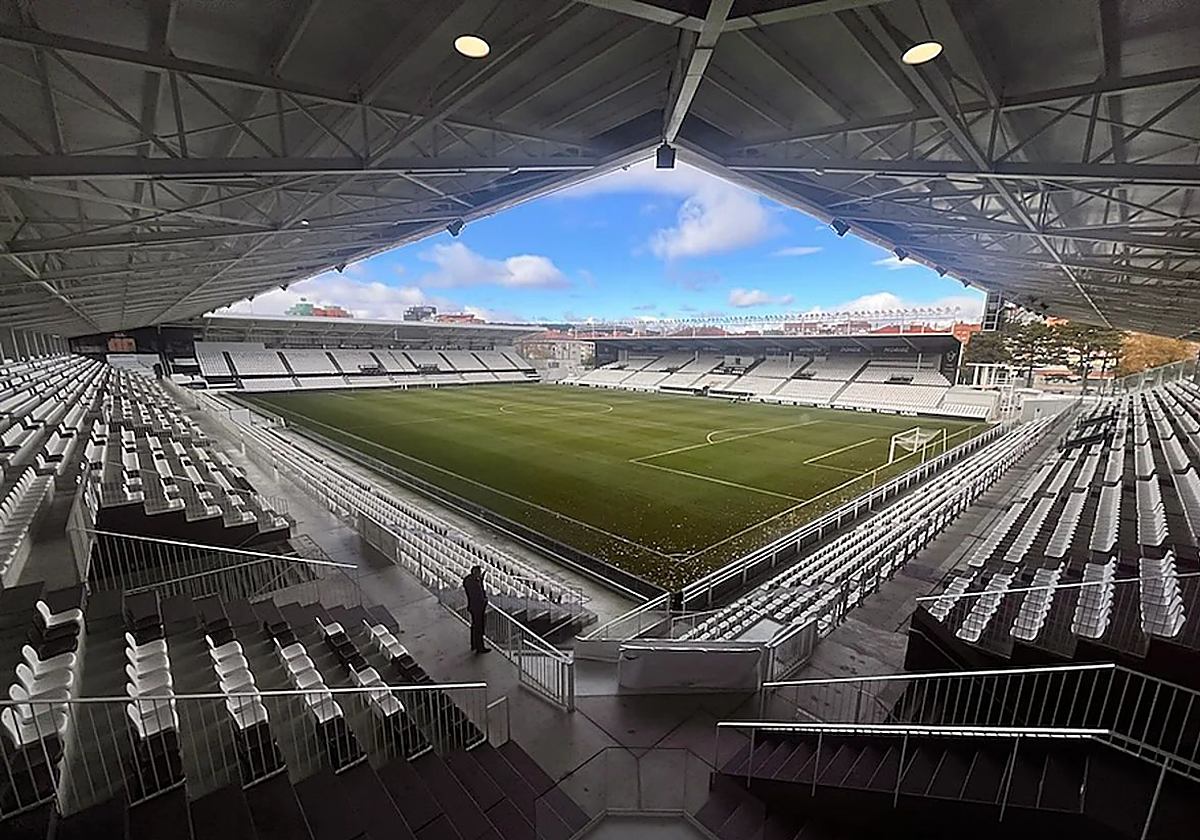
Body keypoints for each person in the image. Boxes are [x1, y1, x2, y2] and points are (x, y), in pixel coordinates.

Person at [463, 565, 490, 653]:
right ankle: (480, 647)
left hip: (472, 607)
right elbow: (480, 595)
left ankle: (474, 644)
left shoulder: (468, 580)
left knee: (474, 626)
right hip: (478, 608)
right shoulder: (475, 583)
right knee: (479, 627)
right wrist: (485, 600)